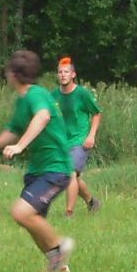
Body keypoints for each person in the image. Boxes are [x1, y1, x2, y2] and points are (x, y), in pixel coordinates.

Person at [0, 50, 76, 272]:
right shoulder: (22, 100)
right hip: (38, 169)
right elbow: (14, 129)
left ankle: (60, 248)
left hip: (55, 168)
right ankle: (58, 265)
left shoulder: (36, 94)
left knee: (21, 212)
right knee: (32, 221)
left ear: (14, 74)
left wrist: (20, 146)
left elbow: (42, 117)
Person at [53, 57, 101, 217]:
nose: (63, 75)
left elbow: (96, 113)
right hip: (62, 142)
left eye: (66, 72)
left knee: (71, 173)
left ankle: (69, 213)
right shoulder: (53, 95)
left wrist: (91, 136)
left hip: (80, 141)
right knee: (71, 177)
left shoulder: (82, 94)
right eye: (60, 72)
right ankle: (92, 202)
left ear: (73, 74)